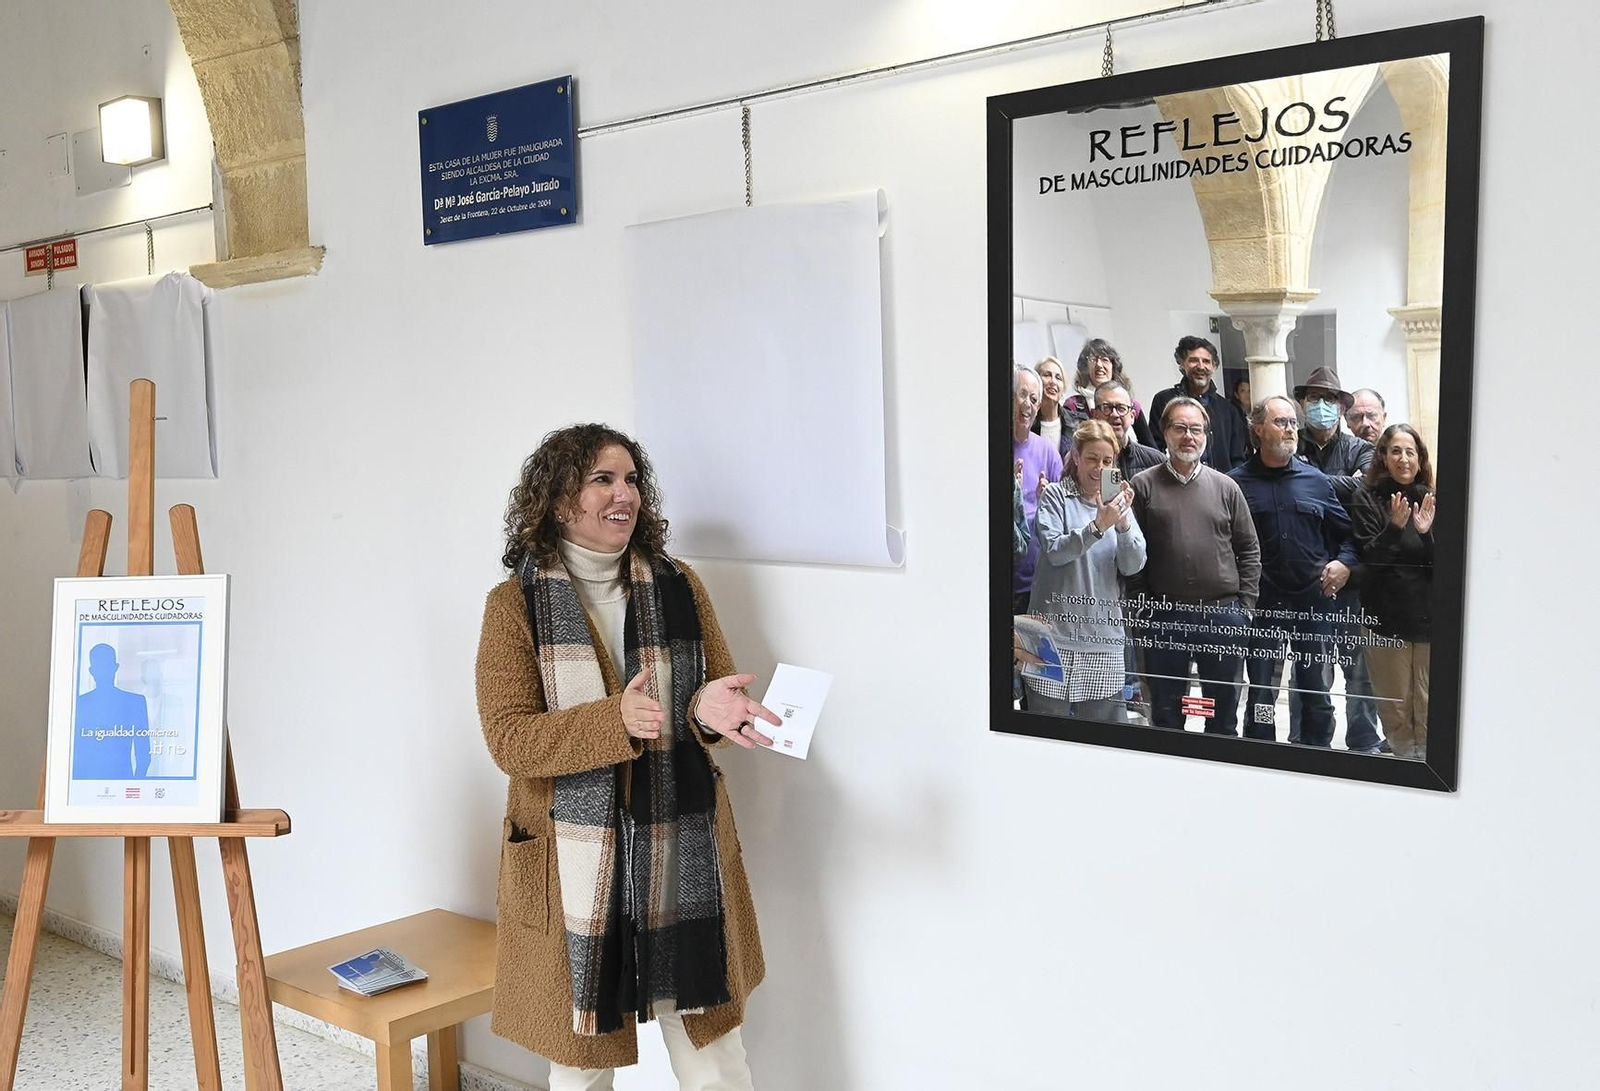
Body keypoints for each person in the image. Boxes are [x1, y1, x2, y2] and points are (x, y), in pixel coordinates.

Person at [476, 424, 777, 1090]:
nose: (625, 494)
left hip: (681, 851)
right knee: (581, 1067)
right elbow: (510, 738)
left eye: (632, 479)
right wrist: (614, 721)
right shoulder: (513, 606)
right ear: (558, 501)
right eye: (603, 479)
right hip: (576, 867)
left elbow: (707, 695)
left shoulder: (678, 583)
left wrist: (707, 711)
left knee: (716, 1060)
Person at [1230, 397, 1359, 745]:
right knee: (1261, 693)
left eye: (1292, 423)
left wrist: (1344, 563)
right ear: (1258, 429)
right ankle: (1262, 751)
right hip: (1262, 607)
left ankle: (1317, 754)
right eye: (1280, 422)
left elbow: (1348, 534)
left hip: (1313, 604)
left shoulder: (1317, 481)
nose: (1289, 429)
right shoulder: (1234, 485)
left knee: (1316, 690)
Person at [1130, 398, 1261, 734]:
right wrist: (1143, 606)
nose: (1188, 436)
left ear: (1206, 436)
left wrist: (1244, 608)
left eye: (1196, 429)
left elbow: (1248, 549)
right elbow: (1131, 552)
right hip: (1164, 616)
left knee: (1222, 715)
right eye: (1180, 428)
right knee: (1167, 714)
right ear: (1164, 433)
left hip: (1222, 615)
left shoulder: (1226, 487)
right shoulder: (1143, 486)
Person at [1022, 419, 1146, 721]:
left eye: (1107, 460)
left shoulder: (1118, 505)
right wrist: (1097, 526)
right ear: (1076, 456)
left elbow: (1133, 564)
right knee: (1047, 735)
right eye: (1092, 458)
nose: (1098, 468)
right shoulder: (1055, 496)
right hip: (1052, 639)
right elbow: (1054, 551)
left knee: (1105, 739)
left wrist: (1122, 523)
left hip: (1102, 641)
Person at [1290, 366, 1379, 751]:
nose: (1321, 406)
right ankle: (1307, 737)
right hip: (1306, 575)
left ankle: (1362, 737)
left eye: (1329, 400)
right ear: (1303, 404)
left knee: (1359, 667)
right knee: (1309, 667)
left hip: (1352, 572)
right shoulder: (1293, 444)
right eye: (1314, 399)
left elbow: (1367, 490)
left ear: (1342, 408)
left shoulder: (1360, 449)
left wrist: (1310, 480)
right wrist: (1343, 485)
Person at [1349, 424, 1436, 759]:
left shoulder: (1430, 496)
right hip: (1385, 623)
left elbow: (1444, 566)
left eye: (1410, 452)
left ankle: (1430, 767)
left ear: (1419, 458)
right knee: (1396, 708)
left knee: (1428, 705)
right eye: (1395, 451)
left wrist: (1426, 534)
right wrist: (1395, 528)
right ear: (1383, 456)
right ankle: (1406, 767)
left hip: (1428, 624)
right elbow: (1371, 560)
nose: (1403, 459)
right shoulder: (1366, 498)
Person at [1148, 336, 1247, 472]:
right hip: (1175, 484)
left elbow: (1237, 458)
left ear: (1214, 366)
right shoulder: (1164, 401)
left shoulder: (1228, 410)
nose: (1201, 367)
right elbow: (1155, 449)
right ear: (1182, 363)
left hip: (1219, 486)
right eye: (1194, 360)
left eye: (1206, 361)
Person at [1013, 365, 1063, 613]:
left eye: (1034, 399)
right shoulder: (987, 447)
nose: (1028, 404)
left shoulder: (1048, 452)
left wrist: (1048, 501)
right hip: (995, 579)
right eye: (1022, 395)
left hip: (1037, 583)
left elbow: (1063, 517)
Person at [72, 643, 151, 779]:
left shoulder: (80, 704)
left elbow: (144, 755)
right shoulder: (134, 702)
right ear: (115, 668)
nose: (103, 671)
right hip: (100, 784)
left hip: (94, 784)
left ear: (91, 671)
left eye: (105, 666)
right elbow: (143, 755)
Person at [1061, 339, 1156, 447]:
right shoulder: (1074, 405)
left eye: (1105, 359)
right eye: (1093, 359)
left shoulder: (1131, 406)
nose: (1099, 365)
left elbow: (1150, 447)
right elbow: (1069, 446)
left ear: (1113, 366)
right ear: (1085, 367)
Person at [1091, 381, 1163, 478]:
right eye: (1106, 408)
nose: (1115, 414)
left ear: (1132, 416)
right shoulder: (1081, 461)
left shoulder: (1156, 462)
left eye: (1121, 408)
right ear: (1095, 415)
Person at [1030, 356, 1071, 458]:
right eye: (1047, 375)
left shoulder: (1078, 423)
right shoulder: (1027, 423)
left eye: (1058, 378)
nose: (1053, 382)